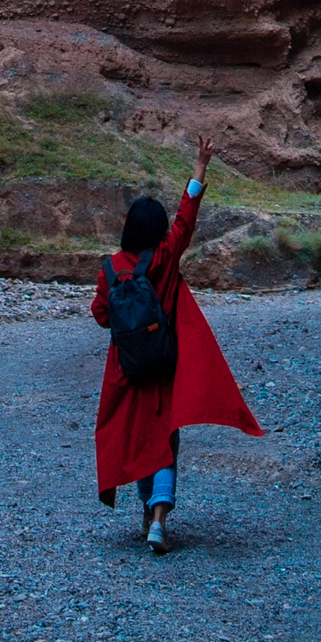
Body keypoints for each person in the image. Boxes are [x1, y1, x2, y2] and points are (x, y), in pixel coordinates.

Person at [90, 134, 262, 550]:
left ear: (129, 228)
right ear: (160, 229)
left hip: (127, 367)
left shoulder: (110, 269)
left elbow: (100, 314)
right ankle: (159, 520)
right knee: (166, 435)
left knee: (138, 435)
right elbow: (187, 216)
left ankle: (147, 510)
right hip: (165, 361)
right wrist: (200, 168)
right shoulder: (166, 256)